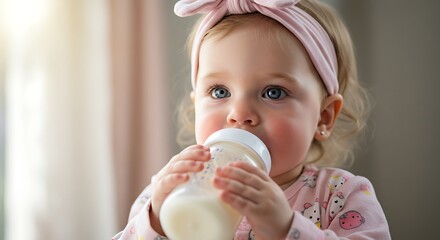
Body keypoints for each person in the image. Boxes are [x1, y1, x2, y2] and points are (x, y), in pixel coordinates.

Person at [113, 0, 391, 239]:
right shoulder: (167, 193)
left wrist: (286, 228)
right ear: (196, 103)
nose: (240, 114)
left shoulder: (341, 197)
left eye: (273, 92)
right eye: (219, 91)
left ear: (324, 116)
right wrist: (158, 222)